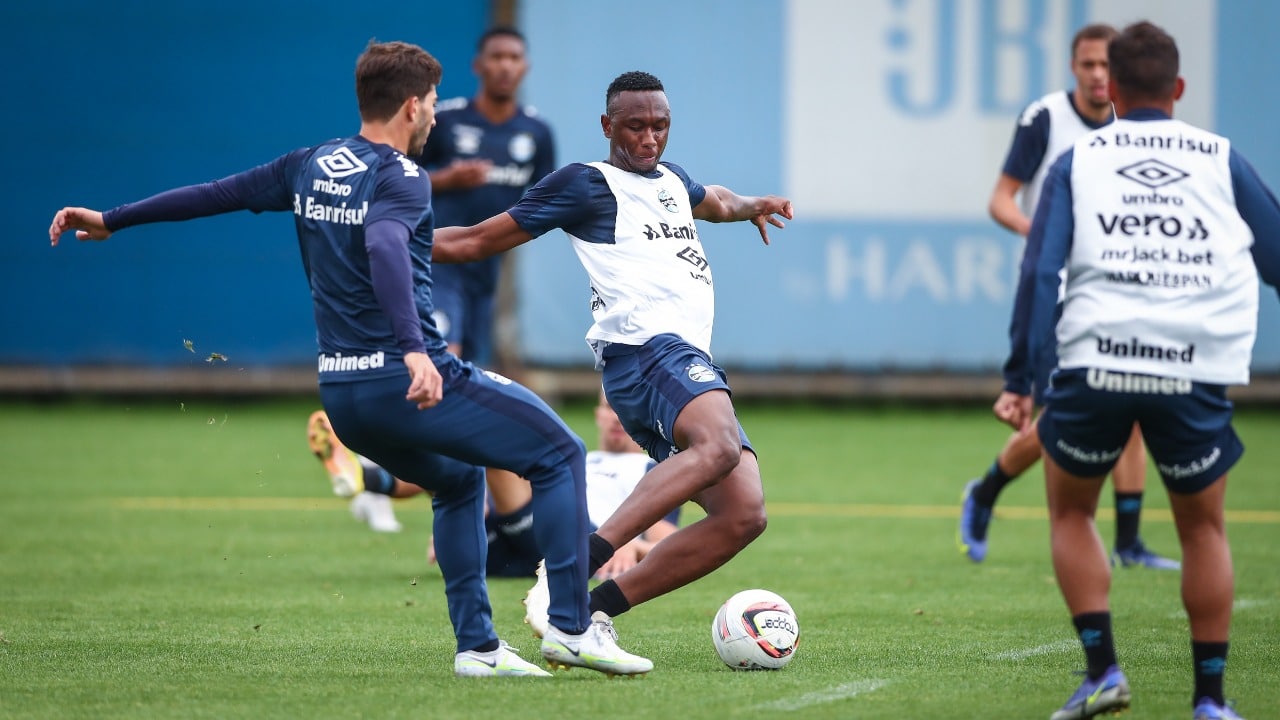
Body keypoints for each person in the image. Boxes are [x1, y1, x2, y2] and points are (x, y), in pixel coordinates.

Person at [48, 40, 650, 679]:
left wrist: (115, 218)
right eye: (433, 111)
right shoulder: (404, 175)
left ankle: (477, 648)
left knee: (457, 480)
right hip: (409, 378)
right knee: (557, 451)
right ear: (413, 106)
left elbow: (215, 193)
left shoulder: (307, 164)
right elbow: (388, 246)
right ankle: (570, 626)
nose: (437, 123)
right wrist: (417, 352)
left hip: (344, 394)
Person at [431, 70, 793, 637]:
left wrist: (752, 205)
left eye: (660, 126)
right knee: (719, 445)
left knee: (743, 514)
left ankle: (590, 614)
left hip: (680, 362)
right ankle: (574, 563)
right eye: (635, 126)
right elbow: (477, 238)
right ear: (607, 125)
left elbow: (716, 201)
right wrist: (391, 241)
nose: (649, 138)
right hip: (646, 352)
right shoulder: (585, 183)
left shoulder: (672, 180)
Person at [999, 21, 1280, 720]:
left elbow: (1042, 272)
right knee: (1203, 531)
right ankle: (1210, 700)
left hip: (1096, 359)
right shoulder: (1221, 157)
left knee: (1070, 510)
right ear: (1179, 89)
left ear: (1112, 90)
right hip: (1194, 363)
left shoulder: (1081, 161)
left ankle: (1102, 673)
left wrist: (1021, 378)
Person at [960, 22, 1179, 571]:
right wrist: (1048, 235)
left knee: (1133, 403)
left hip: (1116, 290)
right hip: (1059, 292)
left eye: (1107, 65)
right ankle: (986, 490)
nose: (1099, 75)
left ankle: (1128, 541)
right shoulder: (1045, 119)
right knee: (1060, 415)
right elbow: (1000, 200)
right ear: (1073, 67)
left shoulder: (1130, 126)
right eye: (1088, 65)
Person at [331, 28, 556, 534]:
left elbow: (544, 199)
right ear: (478, 65)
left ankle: (379, 479)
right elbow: (388, 176)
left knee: (461, 379)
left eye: (514, 57)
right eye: (496, 56)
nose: (505, 65)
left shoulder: (536, 133)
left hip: (485, 270)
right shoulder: (445, 118)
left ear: (525, 67)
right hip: (437, 263)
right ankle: (410, 482)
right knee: (443, 367)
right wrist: (449, 178)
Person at [306, 387, 679, 581]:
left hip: (573, 542)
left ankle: (370, 476)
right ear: (596, 413)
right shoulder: (583, 457)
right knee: (471, 470)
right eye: (606, 407)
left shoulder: (650, 467)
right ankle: (365, 478)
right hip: (512, 550)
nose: (614, 417)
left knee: (489, 449)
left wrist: (624, 544)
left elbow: (667, 537)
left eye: (623, 409)